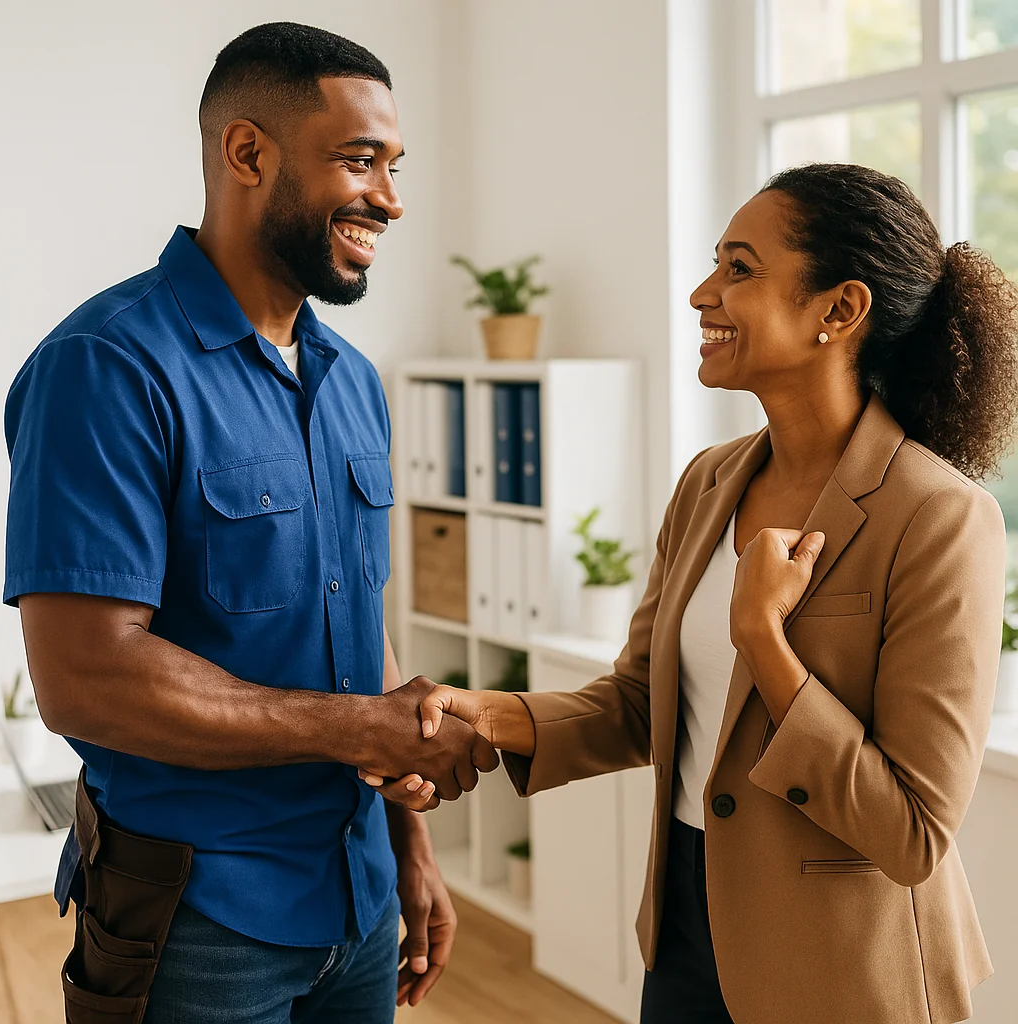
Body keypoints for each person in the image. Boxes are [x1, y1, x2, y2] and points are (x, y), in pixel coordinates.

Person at [373, 163, 1018, 1023]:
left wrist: (765, 641)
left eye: (739, 268)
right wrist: (482, 714)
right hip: (684, 929)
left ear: (839, 310)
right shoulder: (708, 482)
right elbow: (640, 703)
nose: (702, 293)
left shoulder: (941, 516)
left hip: (844, 969)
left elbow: (912, 831)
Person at [3, 22, 496, 1024]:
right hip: (197, 918)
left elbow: (356, 616)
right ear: (246, 153)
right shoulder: (105, 367)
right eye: (358, 159)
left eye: (395, 166)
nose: (390, 198)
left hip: (357, 897)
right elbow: (86, 679)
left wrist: (410, 843)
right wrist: (361, 727)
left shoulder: (352, 381)